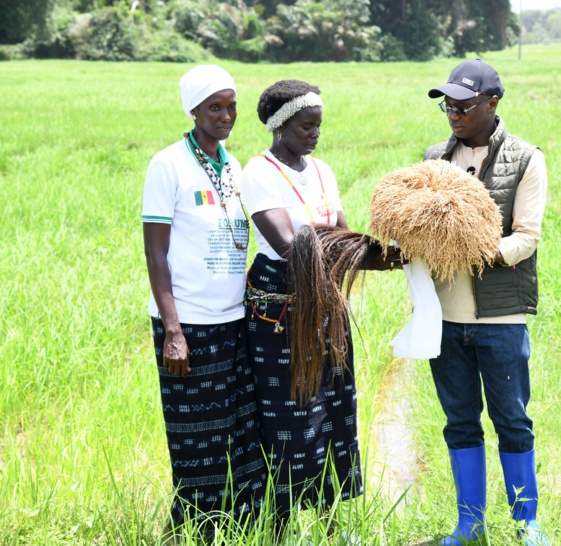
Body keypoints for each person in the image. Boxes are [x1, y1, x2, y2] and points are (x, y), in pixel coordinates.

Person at [241, 79, 390, 537]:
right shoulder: (259, 172)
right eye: (307, 125)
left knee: (334, 404)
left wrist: (387, 253)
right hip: (281, 308)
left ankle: (329, 522)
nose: (315, 133)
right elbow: (289, 245)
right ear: (281, 125)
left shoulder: (322, 170)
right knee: (289, 411)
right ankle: (279, 523)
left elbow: (341, 234)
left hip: (326, 300)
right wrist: (348, 245)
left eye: (319, 125)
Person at [424, 59, 550, 546]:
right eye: (446, 105)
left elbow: (526, 238)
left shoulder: (525, 158)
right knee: (459, 420)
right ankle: (469, 523)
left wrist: (472, 250)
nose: (453, 113)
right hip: (445, 318)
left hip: (500, 317)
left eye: (463, 105)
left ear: (492, 103)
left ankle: (527, 522)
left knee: (512, 419)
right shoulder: (436, 158)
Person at [141, 65, 265, 533]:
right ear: (193, 110)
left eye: (231, 106)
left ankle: (241, 526)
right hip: (188, 323)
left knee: (239, 431)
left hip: (234, 319)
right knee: (197, 438)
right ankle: (193, 530)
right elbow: (156, 252)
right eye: (215, 107)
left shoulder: (233, 166)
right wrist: (173, 330)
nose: (226, 115)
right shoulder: (168, 164)